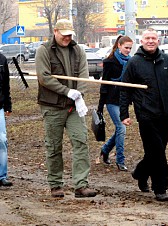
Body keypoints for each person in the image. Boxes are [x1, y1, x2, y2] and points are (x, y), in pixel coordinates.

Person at [35, 19, 96, 198]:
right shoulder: (44, 50)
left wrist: (79, 95)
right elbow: (44, 77)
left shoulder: (78, 50)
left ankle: (81, 185)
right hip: (52, 106)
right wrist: (67, 92)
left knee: (81, 141)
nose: (67, 38)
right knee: (54, 146)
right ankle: (55, 185)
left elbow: (84, 76)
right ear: (55, 32)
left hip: (74, 107)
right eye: (64, 34)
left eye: (70, 35)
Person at [120, 28, 168, 202]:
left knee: (155, 151)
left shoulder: (167, 60)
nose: (151, 41)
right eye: (147, 38)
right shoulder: (134, 63)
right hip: (145, 114)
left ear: (158, 41)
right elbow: (125, 90)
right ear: (141, 41)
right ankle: (160, 188)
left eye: (153, 38)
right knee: (158, 152)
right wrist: (124, 113)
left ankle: (140, 173)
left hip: (165, 114)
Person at [97, 35, 133, 171]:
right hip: (111, 100)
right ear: (119, 45)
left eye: (130, 48)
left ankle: (105, 150)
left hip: (124, 101)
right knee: (121, 128)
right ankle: (120, 160)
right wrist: (100, 106)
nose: (128, 50)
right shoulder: (110, 62)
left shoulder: (131, 61)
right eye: (126, 47)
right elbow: (104, 85)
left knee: (120, 129)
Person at [0, 52, 13, 187]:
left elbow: (6, 85)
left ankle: (2, 175)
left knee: (2, 140)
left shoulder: (2, 59)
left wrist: (8, 105)